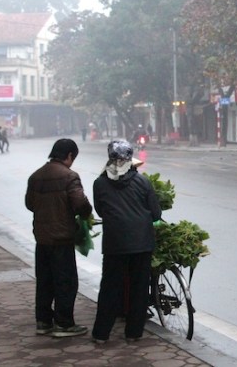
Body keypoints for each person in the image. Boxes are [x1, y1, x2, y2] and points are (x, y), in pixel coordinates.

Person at [91, 139, 161, 343]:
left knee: (110, 288)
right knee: (139, 289)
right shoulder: (143, 182)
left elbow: (101, 211)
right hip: (142, 245)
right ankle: (133, 333)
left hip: (115, 245)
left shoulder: (100, 183)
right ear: (130, 159)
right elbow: (156, 214)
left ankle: (101, 334)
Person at [25, 138, 93, 337]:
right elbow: (80, 204)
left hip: (42, 237)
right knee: (66, 281)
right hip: (62, 238)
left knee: (45, 280)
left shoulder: (35, 176)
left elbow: (30, 204)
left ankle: (43, 321)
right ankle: (64, 324)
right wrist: (85, 214)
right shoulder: (69, 176)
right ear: (69, 156)